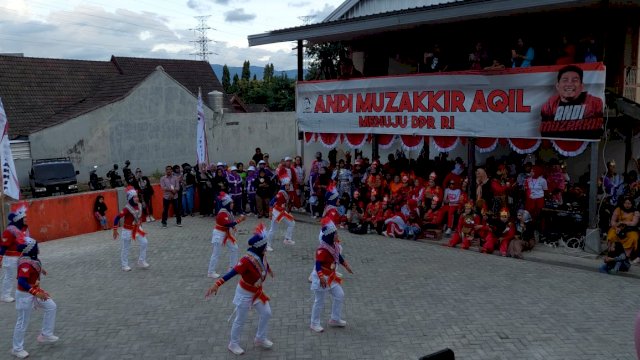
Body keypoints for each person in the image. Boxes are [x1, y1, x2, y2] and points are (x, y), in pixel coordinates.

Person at [205, 223, 273, 355]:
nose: (266, 247)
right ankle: (233, 343)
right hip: (245, 293)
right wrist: (216, 284)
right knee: (240, 320)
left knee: (267, 313)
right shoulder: (246, 260)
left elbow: (264, 263)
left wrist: (269, 270)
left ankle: (260, 337)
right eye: (265, 245)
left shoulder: (261, 254)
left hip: (257, 292)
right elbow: (232, 273)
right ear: (260, 246)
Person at [11, 237, 59, 359]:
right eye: (36, 245)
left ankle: (46, 334)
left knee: (51, 306)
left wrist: (40, 270)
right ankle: (17, 349)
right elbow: (22, 281)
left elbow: (35, 264)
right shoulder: (25, 263)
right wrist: (35, 293)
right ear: (30, 248)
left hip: (34, 291)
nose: (38, 247)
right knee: (22, 322)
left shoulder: (31, 258)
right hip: (25, 295)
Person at [310, 217, 353, 333]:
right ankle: (314, 323)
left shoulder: (334, 245)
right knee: (319, 301)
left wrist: (346, 266)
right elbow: (317, 264)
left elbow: (339, 257)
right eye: (335, 234)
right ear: (329, 235)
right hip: (322, 278)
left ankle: (335, 319)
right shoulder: (322, 249)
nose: (337, 235)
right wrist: (321, 277)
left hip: (331, 277)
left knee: (339, 295)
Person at [540, 65, 604, 139]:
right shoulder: (549, 106)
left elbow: (597, 132)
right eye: (565, 80)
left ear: (581, 86)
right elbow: (545, 132)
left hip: (586, 147)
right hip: (558, 146)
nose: (569, 84)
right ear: (557, 86)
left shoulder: (594, 103)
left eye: (575, 80)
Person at [208, 192, 246, 278]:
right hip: (219, 234)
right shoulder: (222, 213)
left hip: (226, 233)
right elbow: (228, 224)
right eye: (231, 203)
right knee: (216, 253)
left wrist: (234, 227)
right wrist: (240, 220)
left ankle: (233, 268)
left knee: (234, 248)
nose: (233, 204)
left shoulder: (228, 212)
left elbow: (230, 223)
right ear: (227, 204)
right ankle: (210, 271)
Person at [113, 187, 150, 271]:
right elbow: (117, 218)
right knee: (126, 247)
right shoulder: (127, 208)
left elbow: (139, 217)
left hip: (137, 228)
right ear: (130, 198)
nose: (137, 198)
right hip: (127, 230)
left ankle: (141, 261)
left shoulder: (140, 205)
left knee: (144, 242)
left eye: (137, 196)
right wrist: (115, 230)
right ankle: (124, 265)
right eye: (134, 197)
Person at [0, 206, 29, 303]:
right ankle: (5, 295)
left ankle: (23, 292)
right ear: (19, 219)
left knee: (23, 275)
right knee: (9, 276)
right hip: (10, 258)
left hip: (21, 257)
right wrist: (0, 258)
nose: (26, 219)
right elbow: (3, 246)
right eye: (24, 218)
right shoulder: (9, 231)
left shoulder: (23, 229)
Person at [265, 174, 296, 251]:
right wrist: (270, 213)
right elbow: (271, 202)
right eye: (287, 186)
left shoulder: (286, 193)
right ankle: (267, 245)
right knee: (273, 229)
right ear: (284, 186)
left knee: (292, 223)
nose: (288, 187)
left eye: (289, 185)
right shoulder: (280, 193)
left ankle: (287, 239)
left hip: (282, 212)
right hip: (276, 213)